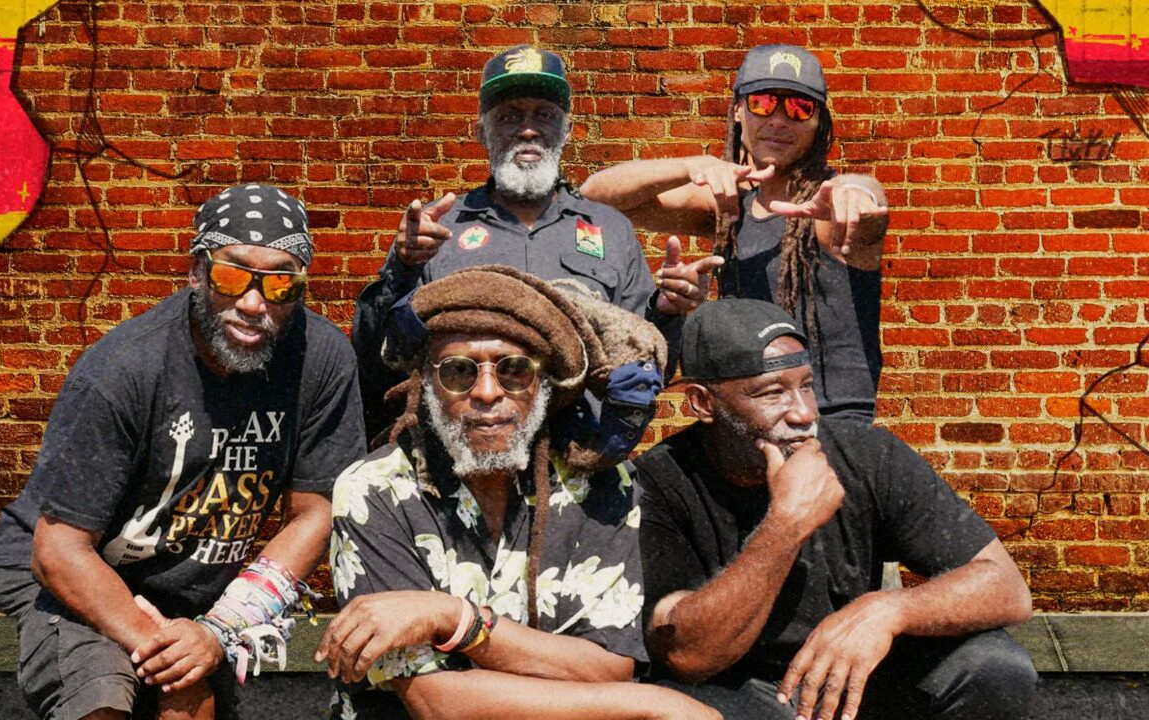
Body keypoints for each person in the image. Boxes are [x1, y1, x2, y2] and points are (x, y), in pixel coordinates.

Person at [0, 184, 367, 720]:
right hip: (73, 566)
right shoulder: (124, 369)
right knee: (102, 701)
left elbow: (316, 513)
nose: (253, 303)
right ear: (197, 271)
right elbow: (59, 551)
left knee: (189, 700)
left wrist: (218, 629)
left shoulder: (321, 359)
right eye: (231, 276)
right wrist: (165, 645)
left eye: (280, 282)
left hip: (192, 584)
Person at [319, 265, 719, 720]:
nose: (487, 392)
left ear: (545, 383)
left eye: (513, 370)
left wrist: (453, 618)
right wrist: (650, 703)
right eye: (458, 371)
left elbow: (608, 666)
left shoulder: (599, 484)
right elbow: (437, 702)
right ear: (426, 383)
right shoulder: (376, 488)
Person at [632, 298, 1037, 720]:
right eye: (772, 392)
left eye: (806, 385)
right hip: (735, 686)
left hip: (848, 669)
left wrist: (888, 610)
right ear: (703, 403)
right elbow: (688, 656)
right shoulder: (658, 483)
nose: (804, 413)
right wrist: (786, 523)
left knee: (994, 668)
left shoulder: (868, 455)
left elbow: (1007, 588)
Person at [354, 45, 716, 438]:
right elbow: (378, 361)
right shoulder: (437, 228)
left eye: (544, 115)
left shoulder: (610, 228)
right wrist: (403, 267)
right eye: (509, 116)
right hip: (464, 448)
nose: (528, 130)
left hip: (578, 453)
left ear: (567, 130)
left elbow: (647, 367)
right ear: (480, 132)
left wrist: (667, 312)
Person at [581, 44, 891, 421]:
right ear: (738, 111)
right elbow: (596, 197)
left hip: (830, 424)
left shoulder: (828, 210)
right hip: (751, 422)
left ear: (817, 122)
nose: (779, 120)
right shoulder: (730, 208)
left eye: (799, 108)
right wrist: (690, 165)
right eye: (763, 103)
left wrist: (858, 193)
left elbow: (865, 201)